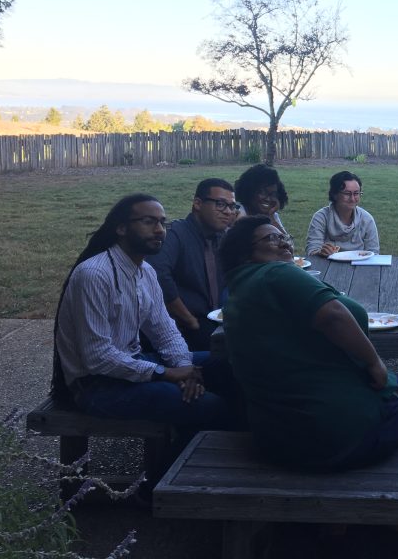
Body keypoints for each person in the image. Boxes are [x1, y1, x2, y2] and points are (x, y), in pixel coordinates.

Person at [219, 215, 398, 470]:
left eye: (285, 237)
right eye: (272, 238)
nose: (284, 242)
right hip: (330, 436)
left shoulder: (239, 292)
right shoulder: (275, 273)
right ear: (244, 254)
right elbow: (333, 316)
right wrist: (374, 363)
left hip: (275, 440)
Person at [51, 194, 238, 436]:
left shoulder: (145, 271)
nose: (159, 230)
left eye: (162, 222)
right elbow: (97, 358)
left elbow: (165, 331)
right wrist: (165, 373)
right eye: (148, 222)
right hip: (97, 386)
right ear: (121, 228)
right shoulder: (94, 275)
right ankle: (187, 458)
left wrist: (185, 368)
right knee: (211, 406)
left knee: (230, 364)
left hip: (134, 364)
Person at [148, 178, 237, 351]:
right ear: (198, 203)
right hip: (183, 327)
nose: (228, 212)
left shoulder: (224, 237)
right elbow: (158, 275)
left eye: (232, 206)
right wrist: (189, 319)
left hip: (218, 318)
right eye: (220, 204)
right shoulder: (175, 234)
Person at [305, 170, 380, 257]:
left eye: (356, 193)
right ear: (334, 194)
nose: (352, 199)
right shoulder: (321, 218)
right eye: (347, 194)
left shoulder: (366, 219)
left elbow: (374, 254)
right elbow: (311, 252)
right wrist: (321, 253)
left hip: (360, 265)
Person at [235, 164, 290, 234]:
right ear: (249, 191)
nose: (268, 199)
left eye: (272, 194)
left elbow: (287, 240)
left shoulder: (271, 214)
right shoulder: (239, 212)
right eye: (263, 192)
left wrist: (270, 217)